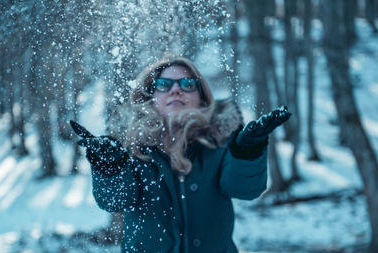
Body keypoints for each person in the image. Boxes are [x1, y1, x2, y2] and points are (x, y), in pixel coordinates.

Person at [70, 55, 291, 253]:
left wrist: (248, 151)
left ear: (202, 97)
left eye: (187, 84)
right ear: (151, 96)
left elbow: (246, 190)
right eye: (164, 85)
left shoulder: (222, 142)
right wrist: (110, 167)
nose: (176, 90)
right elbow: (114, 201)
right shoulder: (131, 146)